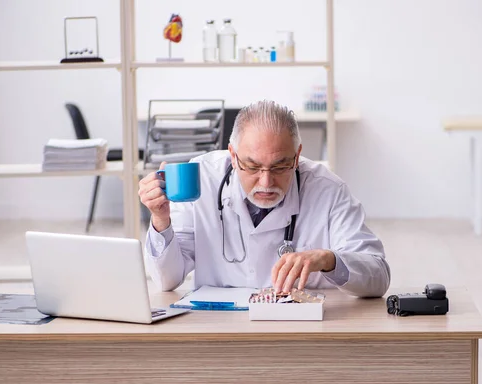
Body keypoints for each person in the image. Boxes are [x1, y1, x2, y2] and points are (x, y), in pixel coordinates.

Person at [139, 100, 390, 297]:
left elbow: (378, 277)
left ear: (297, 155)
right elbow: (166, 280)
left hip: (302, 331)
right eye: (252, 166)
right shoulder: (200, 178)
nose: (266, 182)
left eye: (281, 167)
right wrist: (161, 219)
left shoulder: (327, 189)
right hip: (218, 328)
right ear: (233, 155)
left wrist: (328, 260)